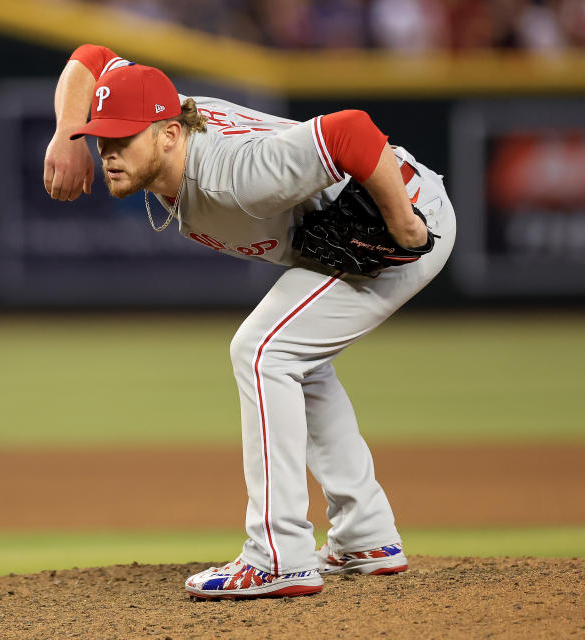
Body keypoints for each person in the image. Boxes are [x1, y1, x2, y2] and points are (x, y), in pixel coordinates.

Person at [43, 44, 456, 600]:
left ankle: (277, 555)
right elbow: (92, 56)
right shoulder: (158, 114)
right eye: (102, 136)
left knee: (263, 351)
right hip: (366, 218)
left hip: (400, 218)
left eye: (122, 137)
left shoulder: (234, 173)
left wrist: (406, 228)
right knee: (296, 362)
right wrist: (67, 132)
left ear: (168, 134)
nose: (107, 149)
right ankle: (366, 536)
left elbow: (353, 132)